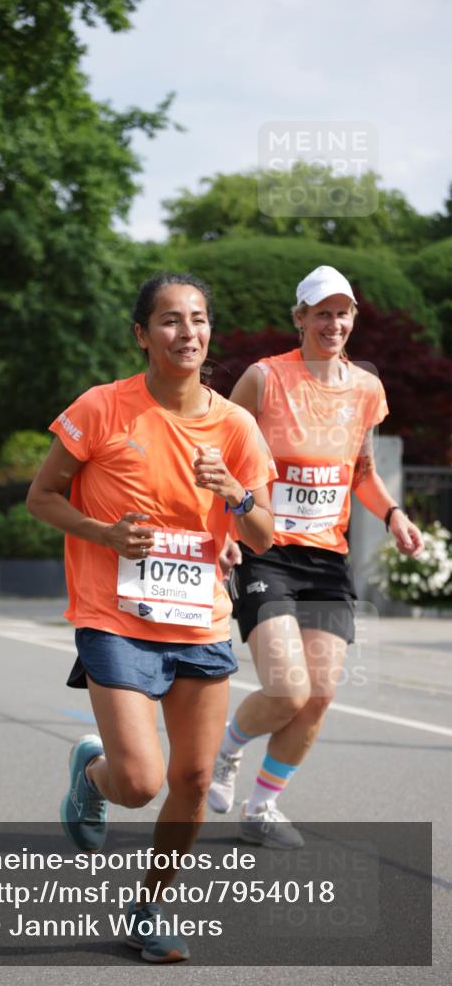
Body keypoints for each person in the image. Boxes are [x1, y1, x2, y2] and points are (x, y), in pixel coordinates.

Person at [26, 272, 275, 962]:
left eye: (197, 319)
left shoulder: (235, 426)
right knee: (140, 783)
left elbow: (261, 534)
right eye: (168, 320)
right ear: (142, 334)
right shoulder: (103, 408)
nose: (186, 332)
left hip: (197, 621)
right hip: (115, 617)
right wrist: (102, 533)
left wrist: (232, 494)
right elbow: (41, 497)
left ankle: (150, 907)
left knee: (192, 780)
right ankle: (94, 773)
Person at [208, 264, 424, 848]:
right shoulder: (262, 379)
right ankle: (225, 752)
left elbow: (363, 474)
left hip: (327, 559)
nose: (334, 322)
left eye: (343, 312)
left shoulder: (365, 389)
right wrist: (223, 530)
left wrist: (394, 514)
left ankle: (262, 807)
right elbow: (222, 464)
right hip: (266, 550)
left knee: (320, 693)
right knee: (287, 689)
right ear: (299, 318)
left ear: (353, 319)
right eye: (322, 312)